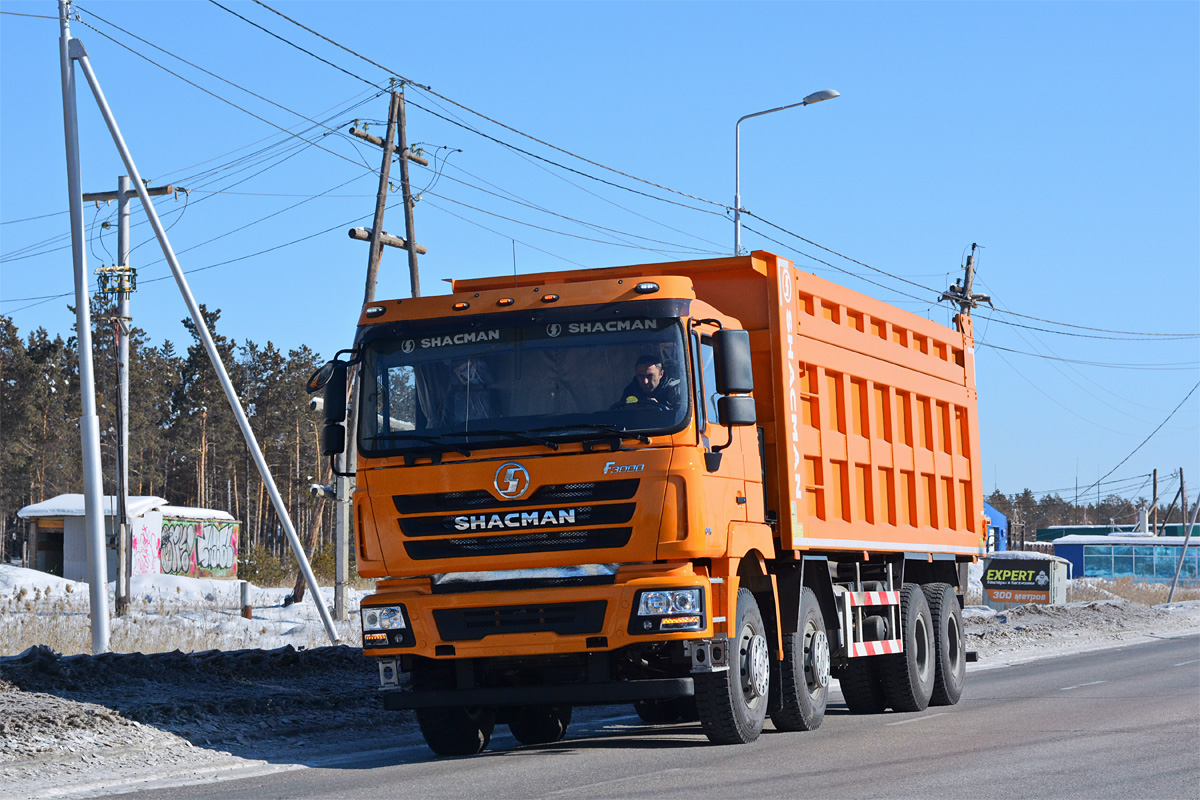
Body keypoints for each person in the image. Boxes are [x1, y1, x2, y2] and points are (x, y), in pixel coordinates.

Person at [614, 354, 681, 411]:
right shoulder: (631, 390)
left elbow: (681, 418)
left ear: (661, 374)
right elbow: (619, 414)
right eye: (640, 376)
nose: (645, 382)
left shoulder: (674, 390)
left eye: (650, 376)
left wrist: (659, 409)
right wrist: (630, 410)